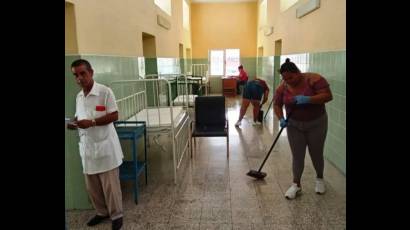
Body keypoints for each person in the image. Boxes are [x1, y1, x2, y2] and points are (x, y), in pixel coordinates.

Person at [67, 59, 124, 230]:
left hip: (105, 147)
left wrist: (91, 122)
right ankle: (101, 212)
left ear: (91, 72)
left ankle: (117, 215)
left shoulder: (104, 92)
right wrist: (74, 123)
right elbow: (80, 117)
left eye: (82, 73)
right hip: (87, 148)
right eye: (75, 75)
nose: (79, 78)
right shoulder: (79, 97)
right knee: (92, 187)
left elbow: (114, 116)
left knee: (110, 187)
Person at [273, 58, 333, 199]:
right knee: (297, 155)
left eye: (291, 77)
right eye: (285, 78)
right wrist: (281, 118)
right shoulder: (283, 87)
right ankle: (296, 185)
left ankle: (319, 179)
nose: (288, 80)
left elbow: (328, 96)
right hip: (294, 124)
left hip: (316, 123)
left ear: (298, 72)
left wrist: (308, 99)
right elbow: (277, 104)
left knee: (316, 153)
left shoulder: (314, 79)